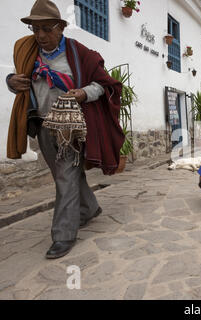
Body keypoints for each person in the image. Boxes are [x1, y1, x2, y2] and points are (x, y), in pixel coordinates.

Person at [5, 0, 124, 259]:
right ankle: (90, 208)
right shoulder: (27, 51)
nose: (40, 36)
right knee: (68, 175)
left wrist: (83, 92)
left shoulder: (80, 53)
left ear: (60, 27)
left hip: (71, 127)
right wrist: (11, 82)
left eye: (46, 29)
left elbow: (104, 85)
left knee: (65, 177)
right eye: (35, 29)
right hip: (41, 123)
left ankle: (63, 234)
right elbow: (17, 80)